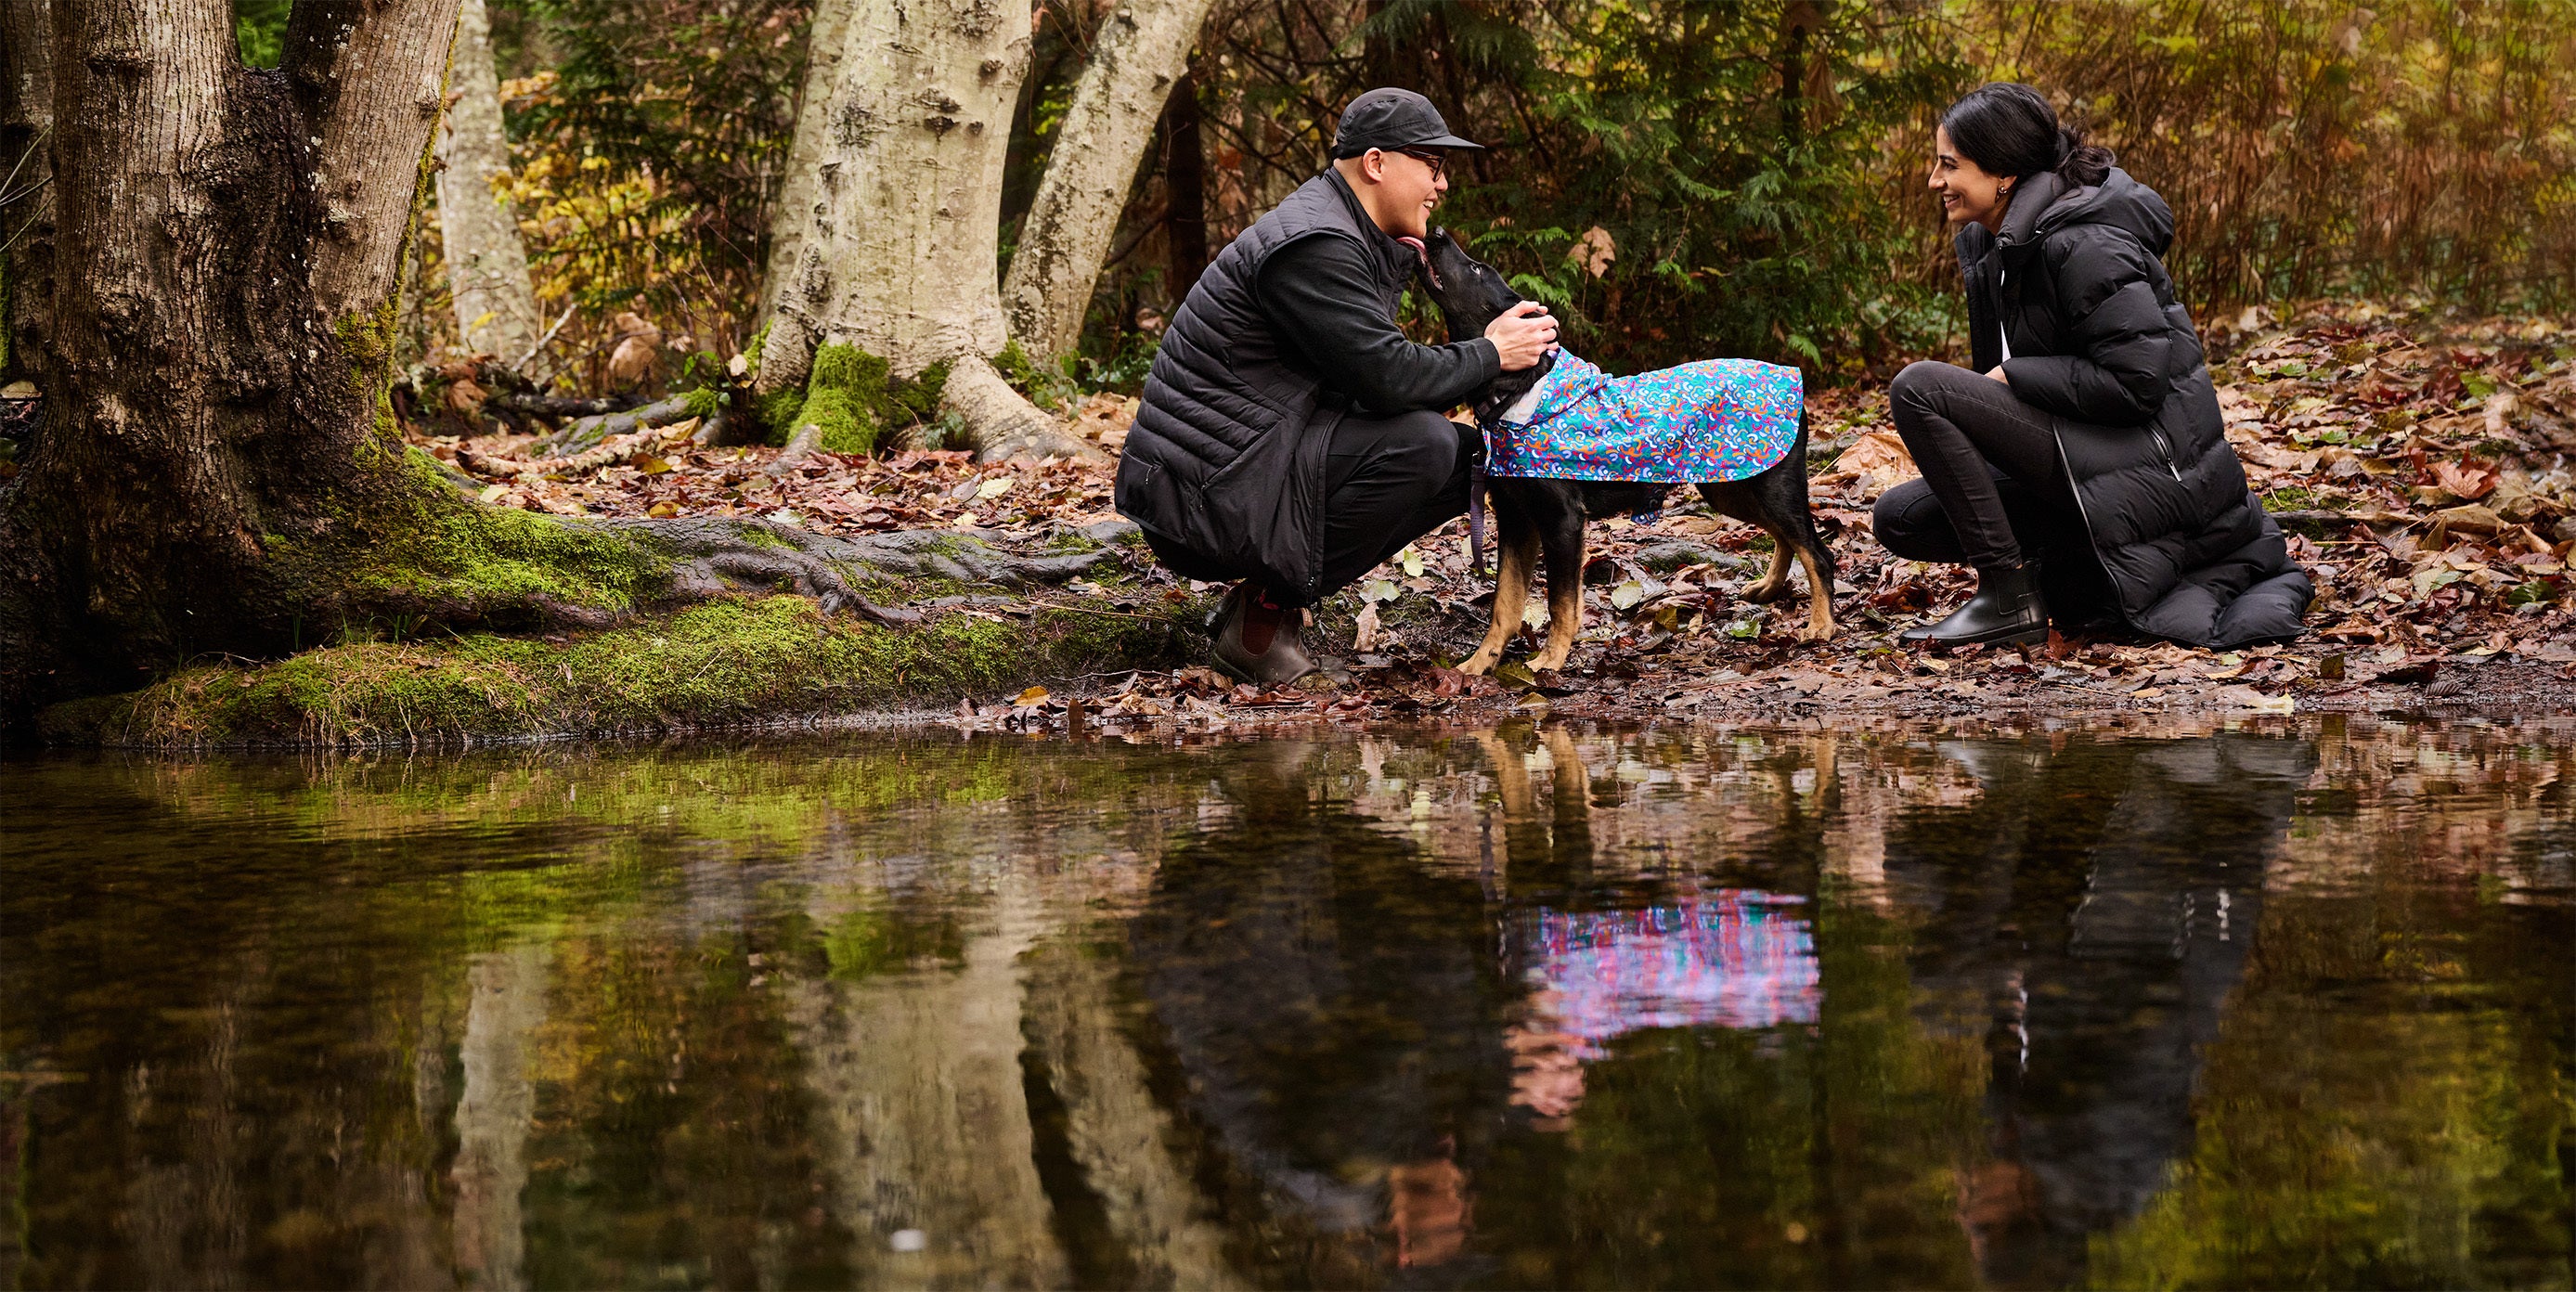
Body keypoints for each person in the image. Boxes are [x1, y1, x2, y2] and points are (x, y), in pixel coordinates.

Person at [1116, 88, 1560, 683]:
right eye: (1432, 164)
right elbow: (1389, 378)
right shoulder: (1317, 245)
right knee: (1432, 448)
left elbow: (1365, 380)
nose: (1442, 184)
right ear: (1376, 165)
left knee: (1459, 455)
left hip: (1240, 467)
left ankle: (1259, 601)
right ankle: (1262, 621)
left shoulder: (1342, 230)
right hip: (1203, 496)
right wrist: (1492, 352)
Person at [1872, 84, 2310, 648]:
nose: (1935, 180)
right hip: (2090, 454)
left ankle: (2007, 597)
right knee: (1901, 517)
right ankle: (2080, 575)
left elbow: (2136, 383)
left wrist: (2016, 376)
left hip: (2153, 469)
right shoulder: (1998, 245)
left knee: (1918, 389)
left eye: (1949, 164)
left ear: (2003, 171)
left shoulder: (2084, 242)